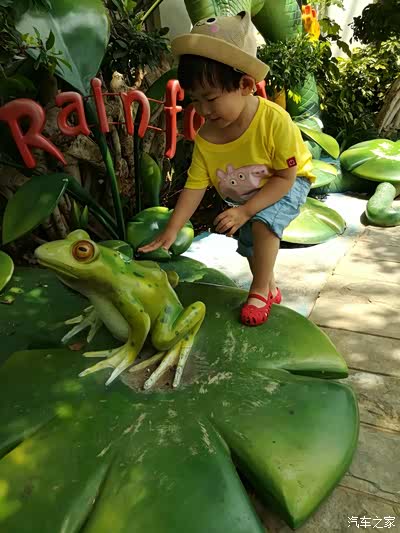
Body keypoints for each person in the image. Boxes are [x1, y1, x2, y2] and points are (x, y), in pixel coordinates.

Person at [138, 11, 316, 327]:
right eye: (195, 100)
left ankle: (259, 290)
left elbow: (286, 176)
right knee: (249, 244)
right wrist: (173, 228)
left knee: (262, 223)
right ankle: (269, 286)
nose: (203, 110)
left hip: (287, 180)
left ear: (245, 85)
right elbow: (195, 185)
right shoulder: (206, 137)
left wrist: (246, 210)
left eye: (210, 98)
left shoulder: (274, 121)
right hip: (249, 191)